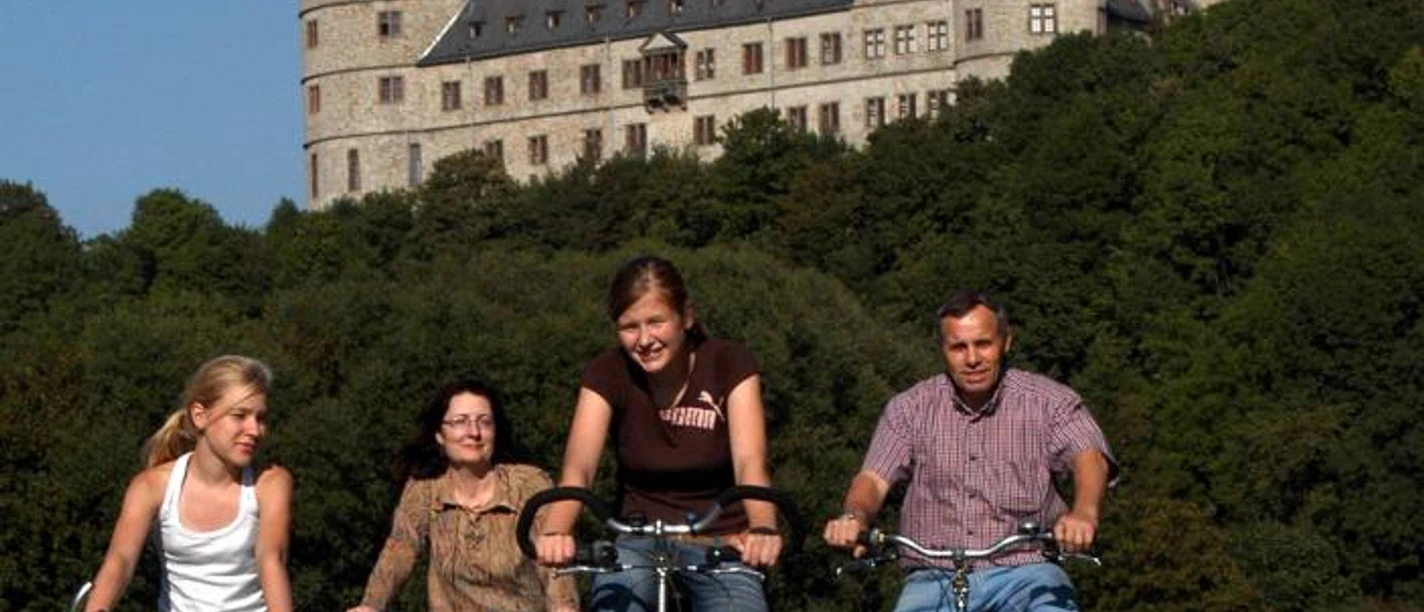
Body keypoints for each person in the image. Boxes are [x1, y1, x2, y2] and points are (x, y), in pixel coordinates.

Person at [823, 290, 1117, 612]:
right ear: (942, 349)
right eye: (959, 347)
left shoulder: (1050, 402)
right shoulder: (909, 409)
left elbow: (1089, 457)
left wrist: (1084, 513)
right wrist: (854, 517)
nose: (973, 359)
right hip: (933, 576)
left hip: (1027, 570)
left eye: (983, 344)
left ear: (1006, 342)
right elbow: (873, 479)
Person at [534, 255, 782, 612]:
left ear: (686, 317)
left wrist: (762, 529)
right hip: (639, 540)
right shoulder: (607, 372)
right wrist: (556, 531)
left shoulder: (729, 363)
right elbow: (578, 470)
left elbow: (750, 463)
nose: (644, 340)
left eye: (656, 322)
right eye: (629, 327)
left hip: (721, 541)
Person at [349, 379, 578, 612]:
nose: (474, 432)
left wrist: (564, 608)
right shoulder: (425, 490)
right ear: (439, 434)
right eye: (460, 421)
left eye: (484, 422)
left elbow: (554, 564)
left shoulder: (529, 485)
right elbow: (399, 551)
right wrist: (370, 606)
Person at [85, 355, 293, 612]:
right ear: (200, 416)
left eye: (260, 418)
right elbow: (121, 559)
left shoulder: (271, 483)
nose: (255, 430)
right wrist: (98, 607)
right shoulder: (150, 486)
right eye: (240, 415)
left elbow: (271, 559)